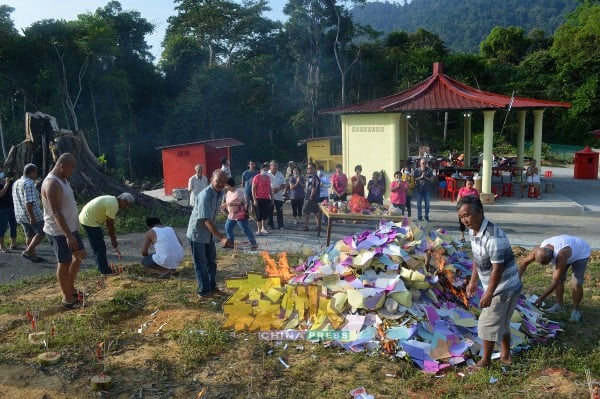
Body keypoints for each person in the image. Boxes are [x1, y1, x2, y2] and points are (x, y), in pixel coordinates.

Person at [458, 195, 522, 369]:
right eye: (461, 216)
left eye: (467, 215)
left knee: (486, 323)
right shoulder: (474, 231)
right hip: (497, 285)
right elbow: (477, 259)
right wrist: (473, 281)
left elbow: (497, 269)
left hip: (504, 287)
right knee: (501, 322)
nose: (464, 220)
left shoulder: (493, 237)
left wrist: (488, 294)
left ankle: (485, 361)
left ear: (480, 212)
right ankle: (506, 354)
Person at [40, 153, 87, 309]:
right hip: (59, 231)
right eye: (70, 169)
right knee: (64, 262)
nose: (71, 172)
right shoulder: (52, 184)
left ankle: (70, 287)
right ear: (62, 166)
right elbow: (56, 213)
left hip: (71, 228)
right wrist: (68, 235)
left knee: (80, 255)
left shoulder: (63, 179)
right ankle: (68, 298)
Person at [518, 235, 591, 322]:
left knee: (576, 283)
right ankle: (559, 306)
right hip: (568, 250)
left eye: (546, 263)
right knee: (560, 281)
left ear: (551, 258)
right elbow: (524, 263)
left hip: (580, 253)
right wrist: (517, 281)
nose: (544, 266)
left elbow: (555, 281)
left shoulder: (561, 255)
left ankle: (575, 311)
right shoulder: (538, 249)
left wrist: (541, 298)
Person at [187, 169, 230, 299]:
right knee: (201, 264)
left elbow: (215, 212)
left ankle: (212, 287)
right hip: (198, 234)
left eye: (223, 182)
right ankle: (204, 292)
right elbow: (206, 220)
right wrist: (221, 237)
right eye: (218, 181)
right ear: (212, 179)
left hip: (209, 234)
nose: (221, 184)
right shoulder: (205, 195)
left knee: (212, 262)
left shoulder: (220, 192)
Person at [79, 193, 135, 275]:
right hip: (89, 221)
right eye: (126, 205)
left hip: (86, 218)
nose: (125, 208)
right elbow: (110, 224)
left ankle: (100, 267)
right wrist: (113, 240)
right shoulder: (113, 205)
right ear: (123, 201)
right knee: (100, 247)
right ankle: (104, 271)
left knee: (98, 245)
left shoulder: (112, 199)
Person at [12, 163, 46, 263]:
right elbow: (29, 201)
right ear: (32, 172)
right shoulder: (29, 183)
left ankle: (33, 255)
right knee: (42, 231)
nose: (36, 175)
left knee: (29, 235)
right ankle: (28, 251)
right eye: (35, 173)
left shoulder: (17, 182)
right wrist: (32, 216)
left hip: (20, 213)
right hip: (32, 214)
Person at [222, 177, 258, 250]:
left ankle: (253, 243)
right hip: (231, 215)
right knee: (228, 227)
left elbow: (242, 203)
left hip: (239, 215)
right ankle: (231, 242)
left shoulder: (238, 192)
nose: (225, 187)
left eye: (226, 185)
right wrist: (224, 207)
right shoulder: (228, 193)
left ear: (229, 185)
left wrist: (230, 204)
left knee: (245, 229)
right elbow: (226, 202)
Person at [0, 169, 22, 252]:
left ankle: (13, 244)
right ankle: (2, 246)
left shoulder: (7, 180)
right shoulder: (6, 182)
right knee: (2, 227)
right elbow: (1, 194)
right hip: (2, 208)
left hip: (12, 207)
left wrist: (15, 174)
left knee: (13, 225)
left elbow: (17, 183)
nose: (2, 173)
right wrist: (7, 183)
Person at [252, 162, 273, 235]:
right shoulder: (256, 177)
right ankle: (259, 230)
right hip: (258, 198)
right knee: (259, 214)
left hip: (266, 198)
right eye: (264, 170)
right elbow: (253, 189)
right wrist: (254, 199)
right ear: (261, 170)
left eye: (267, 170)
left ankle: (264, 228)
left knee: (265, 214)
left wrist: (272, 198)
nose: (266, 171)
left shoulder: (268, 178)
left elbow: (270, 188)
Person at [456, 177, 479, 242]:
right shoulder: (462, 190)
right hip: (463, 210)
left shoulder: (475, 191)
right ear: (465, 184)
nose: (469, 185)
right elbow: (458, 200)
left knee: (473, 223)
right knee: (462, 223)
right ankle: (462, 236)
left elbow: (477, 200)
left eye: (471, 184)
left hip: (472, 210)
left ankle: (474, 236)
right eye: (468, 184)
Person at [301, 162, 321, 232]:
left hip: (311, 198)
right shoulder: (310, 177)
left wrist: (310, 197)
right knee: (316, 212)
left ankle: (306, 226)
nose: (308, 169)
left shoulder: (314, 178)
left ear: (314, 169)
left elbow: (314, 188)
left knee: (305, 212)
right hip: (315, 198)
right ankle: (318, 227)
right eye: (308, 168)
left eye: (310, 168)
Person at [268, 160, 286, 230]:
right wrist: (271, 189)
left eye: (276, 166)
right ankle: (270, 225)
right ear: (270, 166)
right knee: (270, 211)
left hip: (279, 195)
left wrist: (278, 189)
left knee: (280, 211)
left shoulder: (280, 173)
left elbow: (284, 184)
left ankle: (280, 225)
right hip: (269, 196)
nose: (275, 167)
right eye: (274, 165)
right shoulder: (267, 174)